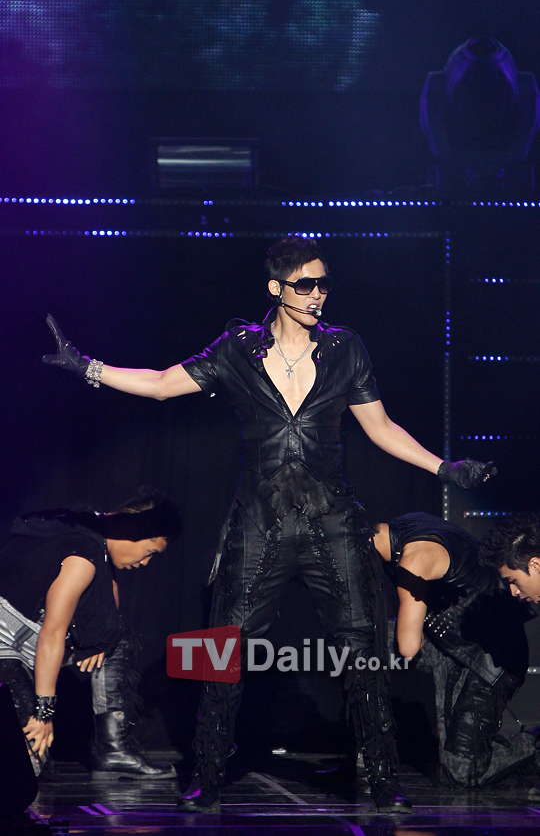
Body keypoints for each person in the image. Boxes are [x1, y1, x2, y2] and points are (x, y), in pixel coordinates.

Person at [42, 235, 495, 813]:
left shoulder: (346, 349)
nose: (317, 295)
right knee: (224, 645)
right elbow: (160, 384)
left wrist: (444, 468)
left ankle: (385, 782)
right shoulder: (239, 349)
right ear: (276, 288)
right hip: (260, 523)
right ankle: (207, 774)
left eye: (323, 284)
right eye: (305, 285)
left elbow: (380, 427)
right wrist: (88, 368)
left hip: (332, 521)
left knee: (361, 647)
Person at [0, 489, 181, 780]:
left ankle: (113, 750)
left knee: (115, 640)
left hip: (28, 643)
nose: (145, 563)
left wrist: (101, 641)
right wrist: (44, 714)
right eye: (150, 553)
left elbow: (109, 599)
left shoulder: (93, 534)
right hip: (7, 647)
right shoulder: (83, 557)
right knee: (30, 767)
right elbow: (51, 635)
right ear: (132, 532)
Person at [372, 512, 536, 787]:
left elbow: (408, 647)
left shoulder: (415, 556)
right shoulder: (405, 526)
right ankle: (369, 752)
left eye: (514, 582)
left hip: (490, 661)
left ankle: (531, 746)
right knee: (360, 640)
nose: (513, 591)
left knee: (460, 773)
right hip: (449, 644)